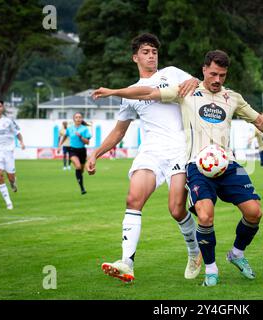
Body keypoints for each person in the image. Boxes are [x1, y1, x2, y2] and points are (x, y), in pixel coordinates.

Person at [92, 49, 263, 286]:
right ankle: (210, 269)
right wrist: (114, 92)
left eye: (222, 75)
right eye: (213, 74)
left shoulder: (233, 97)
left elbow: (259, 121)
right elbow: (149, 92)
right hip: (196, 164)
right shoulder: (187, 92)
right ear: (204, 70)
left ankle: (236, 254)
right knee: (203, 214)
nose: (217, 80)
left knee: (254, 212)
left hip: (228, 163)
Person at [86, 33, 202, 283]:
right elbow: (119, 131)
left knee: (176, 209)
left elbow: (194, 81)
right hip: (151, 151)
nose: (151, 56)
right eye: (146, 52)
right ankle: (127, 262)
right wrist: (95, 152)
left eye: (154, 52)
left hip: (180, 149)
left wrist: (194, 81)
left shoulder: (171, 72)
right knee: (133, 199)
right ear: (135, 57)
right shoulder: (128, 94)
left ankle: (194, 252)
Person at [59, 112, 91, 195]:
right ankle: (82, 188)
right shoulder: (70, 129)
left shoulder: (85, 129)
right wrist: (59, 146)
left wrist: (80, 136)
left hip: (82, 151)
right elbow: (65, 136)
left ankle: (80, 180)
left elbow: (87, 142)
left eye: (80, 117)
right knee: (78, 166)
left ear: (82, 119)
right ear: (74, 119)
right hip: (72, 150)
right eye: (76, 117)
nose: (78, 119)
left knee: (81, 170)